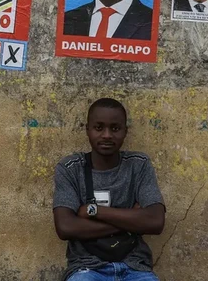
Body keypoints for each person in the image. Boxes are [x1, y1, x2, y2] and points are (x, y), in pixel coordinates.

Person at [53, 98, 165, 281]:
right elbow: (65, 227)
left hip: (135, 266)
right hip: (86, 268)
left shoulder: (139, 165)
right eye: (99, 128)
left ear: (125, 131)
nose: (106, 135)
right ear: (87, 129)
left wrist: (93, 211)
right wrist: (131, 220)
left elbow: (156, 221)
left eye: (115, 128)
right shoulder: (70, 168)